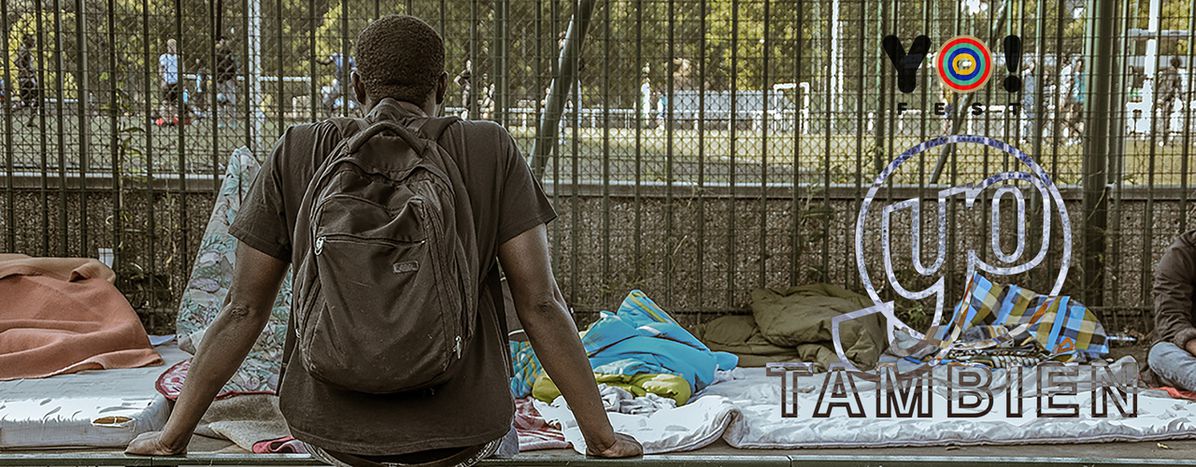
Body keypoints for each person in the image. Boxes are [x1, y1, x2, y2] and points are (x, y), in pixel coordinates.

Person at [124, 14, 642, 465]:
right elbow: (542, 304)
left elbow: (242, 308)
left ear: (355, 87)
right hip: (464, 437)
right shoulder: (488, 149)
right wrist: (601, 440)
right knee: (496, 439)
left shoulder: (299, 150)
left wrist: (173, 438)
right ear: (442, 85)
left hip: (331, 437)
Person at [1147, 229, 1196, 392]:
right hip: (1188, 348)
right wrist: (1191, 343)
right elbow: (1170, 316)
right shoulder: (1181, 255)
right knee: (1160, 354)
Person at [318, 48, 357, 115]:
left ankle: (356, 113)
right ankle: (329, 112)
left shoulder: (351, 59)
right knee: (327, 101)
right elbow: (327, 62)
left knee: (357, 100)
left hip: (348, 84)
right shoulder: (336, 56)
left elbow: (354, 70)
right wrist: (319, 61)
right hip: (338, 82)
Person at [1157, 57, 1184, 145]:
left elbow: (1159, 84)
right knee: (1166, 118)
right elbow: (1175, 88)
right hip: (1167, 98)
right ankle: (1164, 138)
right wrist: (1181, 99)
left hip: (1159, 95)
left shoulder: (1165, 72)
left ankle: (1162, 138)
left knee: (1162, 117)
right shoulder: (1176, 75)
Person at [214, 38, 239, 128]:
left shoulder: (230, 53)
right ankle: (221, 122)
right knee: (220, 101)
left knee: (231, 101)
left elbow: (234, 66)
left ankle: (232, 121)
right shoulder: (217, 54)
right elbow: (216, 67)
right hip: (220, 79)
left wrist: (234, 77)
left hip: (229, 78)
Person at [159, 39, 182, 125]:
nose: (172, 48)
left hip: (175, 82)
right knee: (165, 102)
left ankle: (172, 120)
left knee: (174, 103)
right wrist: (163, 80)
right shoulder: (163, 57)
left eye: (173, 46)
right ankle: (165, 119)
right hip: (167, 81)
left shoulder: (178, 58)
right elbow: (161, 69)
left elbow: (182, 69)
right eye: (170, 46)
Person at [16, 34, 40, 110]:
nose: (34, 42)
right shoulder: (24, 50)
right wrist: (25, 71)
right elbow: (17, 61)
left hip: (30, 75)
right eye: (32, 40)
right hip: (27, 77)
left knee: (34, 97)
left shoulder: (27, 50)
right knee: (32, 96)